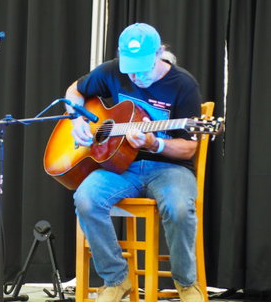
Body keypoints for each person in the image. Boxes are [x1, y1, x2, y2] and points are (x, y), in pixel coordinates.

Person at [66, 23, 204, 302]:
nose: (137, 75)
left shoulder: (183, 85)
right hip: (121, 166)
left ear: (160, 53)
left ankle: (186, 284)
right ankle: (117, 281)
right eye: (131, 68)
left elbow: (189, 148)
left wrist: (156, 143)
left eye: (143, 67)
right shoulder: (113, 70)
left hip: (170, 168)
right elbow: (74, 91)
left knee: (178, 208)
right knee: (86, 199)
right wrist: (77, 118)